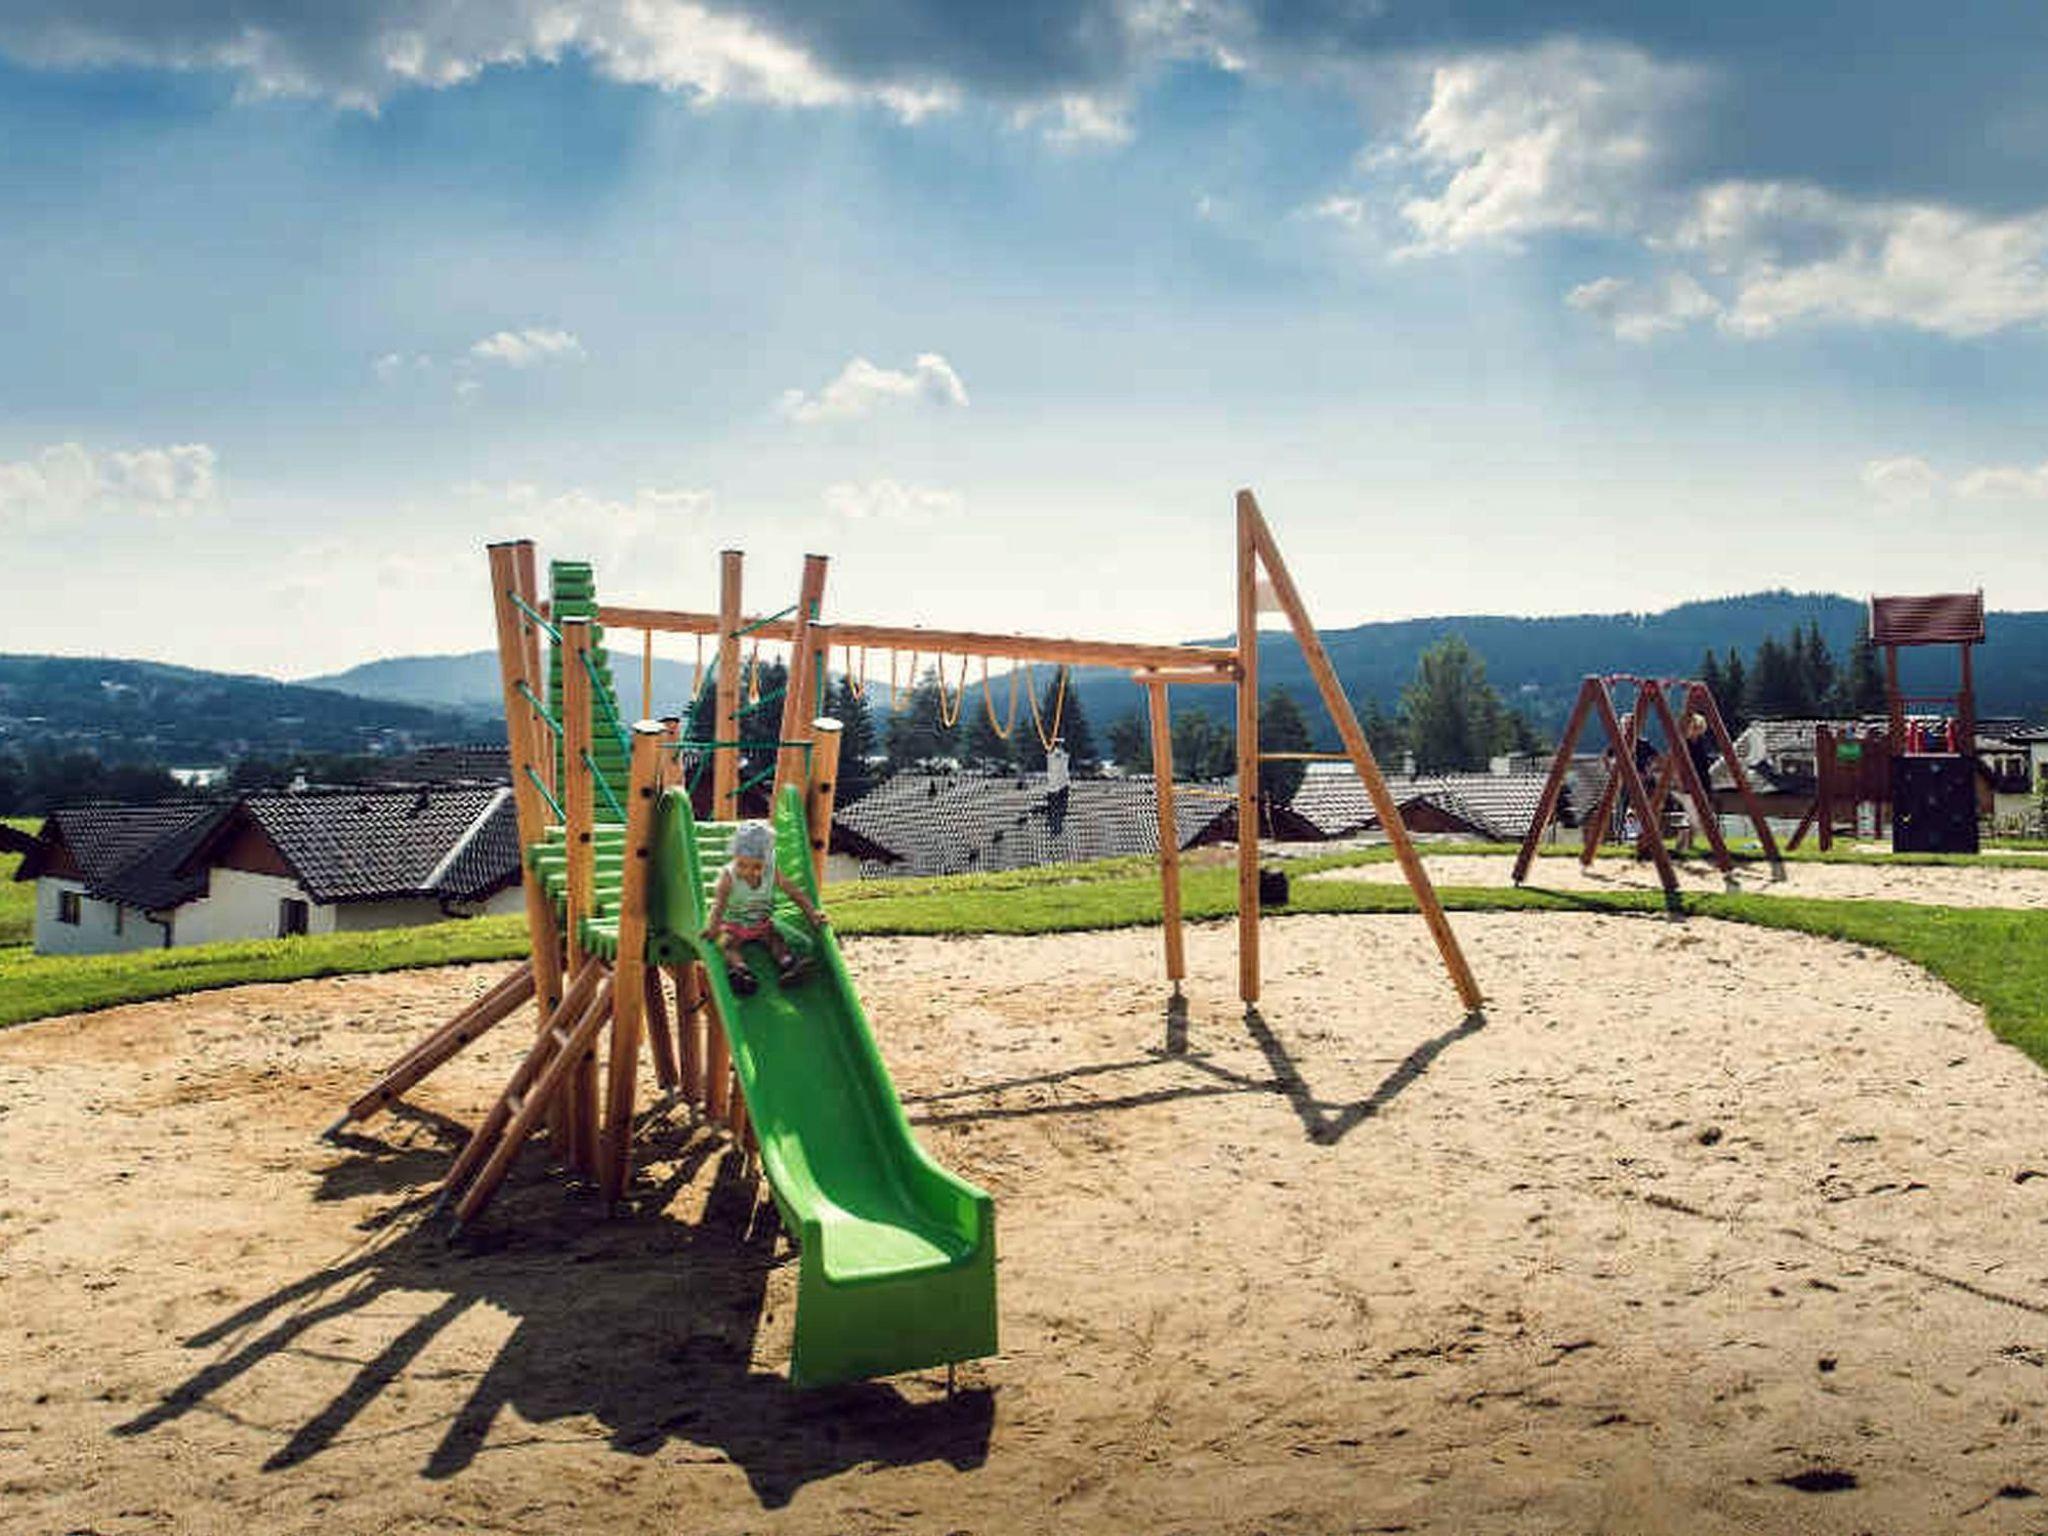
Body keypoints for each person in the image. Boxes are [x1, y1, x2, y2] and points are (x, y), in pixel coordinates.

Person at [702, 821, 827, 995]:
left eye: (757, 867)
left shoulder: (770, 871)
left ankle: (789, 965)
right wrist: (712, 927)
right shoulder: (728, 877)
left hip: (761, 924)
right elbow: (719, 904)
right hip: (733, 925)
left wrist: (812, 913)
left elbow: (793, 891)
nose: (748, 871)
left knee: (776, 939)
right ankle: (741, 972)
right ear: (735, 857)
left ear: (766, 861)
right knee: (727, 945)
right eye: (742, 865)